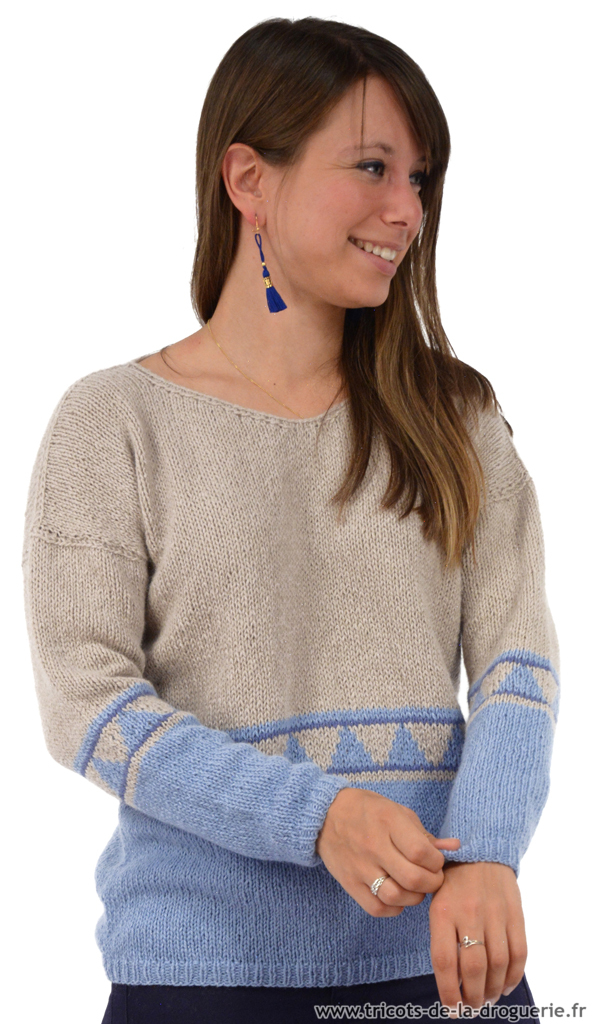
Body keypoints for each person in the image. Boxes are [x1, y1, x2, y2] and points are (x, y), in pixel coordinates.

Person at [21, 16, 558, 1024]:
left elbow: (517, 664)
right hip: (203, 982)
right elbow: (88, 707)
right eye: (372, 167)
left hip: (450, 972)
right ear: (248, 180)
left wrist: (489, 851)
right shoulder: (114, 422)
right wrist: (317, 816)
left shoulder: (456, 417)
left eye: (420, 178)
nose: (407, 210)